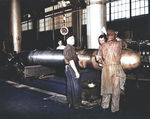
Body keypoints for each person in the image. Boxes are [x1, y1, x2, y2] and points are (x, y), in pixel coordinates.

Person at [96, 29, 126, 113]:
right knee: (116, 89)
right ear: (114, 36)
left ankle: (104, 106)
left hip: (106, 69)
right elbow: (125, 44)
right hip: (117, 68)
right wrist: (118, 38)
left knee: (106, 87)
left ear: (106, 36)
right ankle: (114, 108)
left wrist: (103, 63)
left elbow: (98, 58)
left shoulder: (102, 46)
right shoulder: (119, 44)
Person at [63, 33, 82, 108]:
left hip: (68, 68)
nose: (73, 40)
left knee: (70, 86)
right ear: (67, 40)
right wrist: (76, 72)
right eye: (71, 39)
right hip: (72, 68)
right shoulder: (70, 48)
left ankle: (70, 102)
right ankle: (76, 104)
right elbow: (71, 61)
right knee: (76, 86)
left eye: (73, 38)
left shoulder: (67, 47)